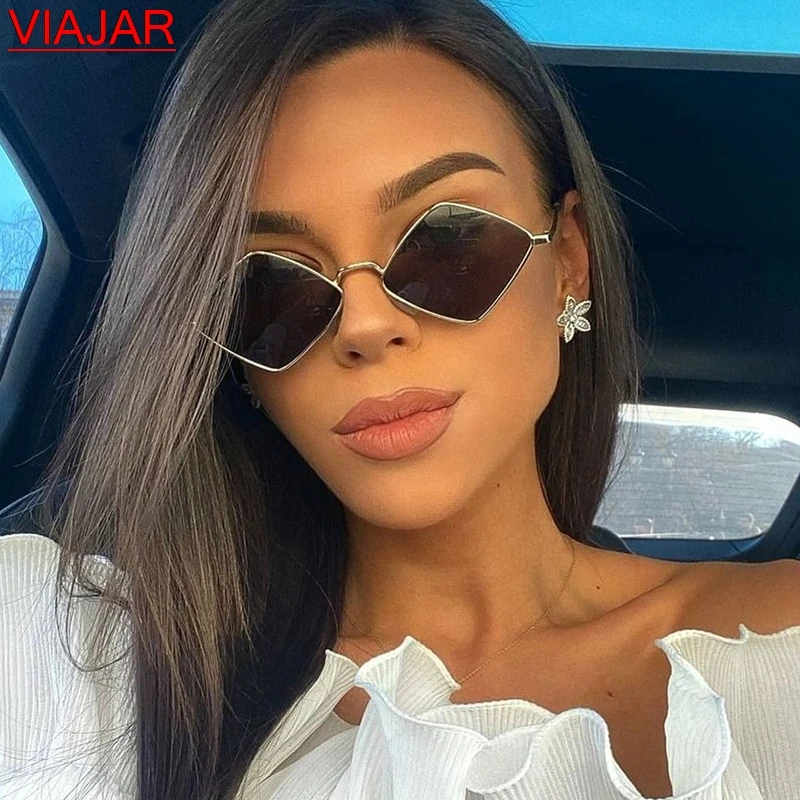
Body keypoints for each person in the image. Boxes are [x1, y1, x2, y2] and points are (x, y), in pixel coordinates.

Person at [1, 0, 798, 798]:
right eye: (271, 286)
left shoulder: (779, 642)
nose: (365, 325)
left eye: (446, 242)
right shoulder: (79, 668)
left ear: (568, 261)